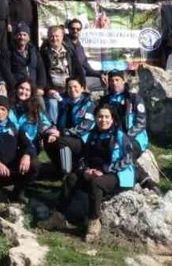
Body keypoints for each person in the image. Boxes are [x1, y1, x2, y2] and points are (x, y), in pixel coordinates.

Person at [43, 103, 136, 241]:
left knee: (96, 183)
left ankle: (93, 221)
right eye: (99, 117)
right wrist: (86, 170)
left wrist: (105, 171)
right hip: (95, 171)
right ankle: (58, 216)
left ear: (112, 119)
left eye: (106, 117)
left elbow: (128, 159)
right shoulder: (92, 136)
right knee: (72, 178)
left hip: (118, 175)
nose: (103, 120)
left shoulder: (120, 136)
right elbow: (83, 157)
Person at [0, 95, 38, 224]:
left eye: (3, 109)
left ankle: (18, 193)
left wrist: (27, 155)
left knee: (35, 164)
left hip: (13, 170)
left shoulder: (14, 127)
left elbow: (30, 146)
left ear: (8, 111)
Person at [103, 69, 156, 191]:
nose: (114, 83)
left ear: (123, 81)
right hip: (113, 138)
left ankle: (143, 180)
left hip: (135, 137)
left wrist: (126, 137)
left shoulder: (133, 98)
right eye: (112, 80)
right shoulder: (105, 101)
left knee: (127, 151)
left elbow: (141, 122)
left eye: (117, 80)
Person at [47, 76, 95, 174]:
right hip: (68, 136)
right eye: (69, 87)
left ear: (82, 88)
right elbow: (57, 121)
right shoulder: (65, 103)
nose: (72, 89)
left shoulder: (89, 104)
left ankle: (67, 173)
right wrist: (54, 130)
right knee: (47, 139)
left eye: (75, 86)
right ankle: (60, 168)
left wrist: (61, 133)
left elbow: (83, 128)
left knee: (62, 141)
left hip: (84, 140)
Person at [39, 24, 84, 122]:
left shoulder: (69, 51)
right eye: (51, 36)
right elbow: (42, 75)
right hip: (53, 90)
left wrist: (83, 85)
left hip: (68, 88)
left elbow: (78, 69)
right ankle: (53, 129)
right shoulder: (43, 53)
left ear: (62, 36)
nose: (54, 39)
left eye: (57, 36)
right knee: (52, 103)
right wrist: (48, 89)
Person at [3, 22, 47, 92]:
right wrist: (15, 86)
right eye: (19, 35)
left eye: (24, 35)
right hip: (16, 88)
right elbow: (7, 72)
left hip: (33, 88)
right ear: (15, 36)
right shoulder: (9, 52)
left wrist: (41, 86)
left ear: (28, 37)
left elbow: (41, 69)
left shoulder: (34, 51)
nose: (22, 37)